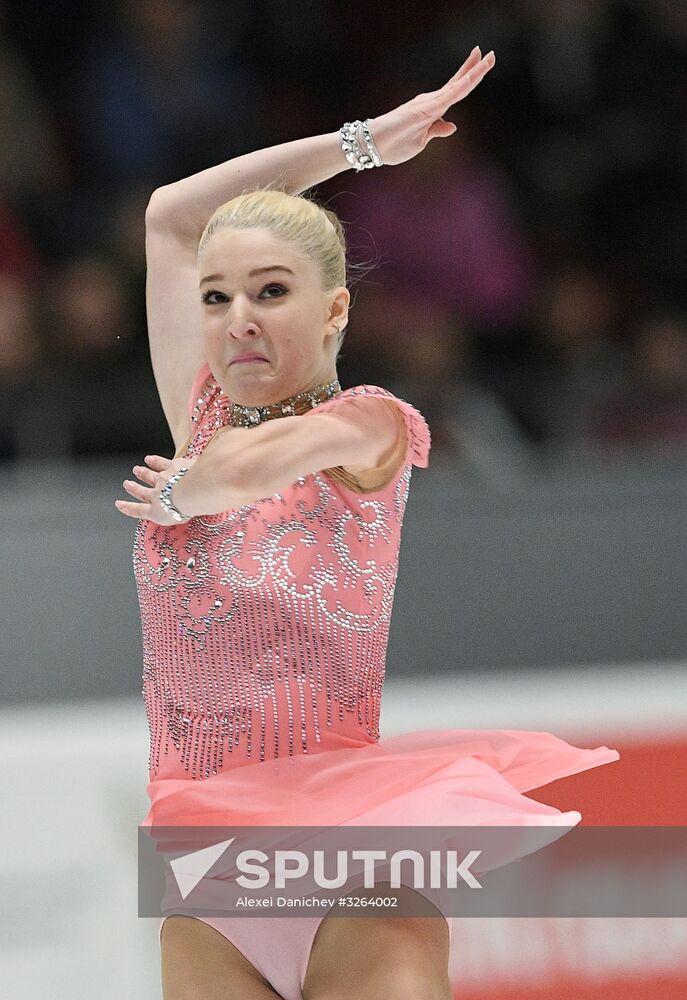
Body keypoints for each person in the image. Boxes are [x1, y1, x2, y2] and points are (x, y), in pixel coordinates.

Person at [115, 46, 620, 1000]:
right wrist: (363, 147)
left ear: (335, 307)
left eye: (271, 291)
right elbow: (171, 215)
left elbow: (251, 467)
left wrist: (190, 491)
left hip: (348, 865)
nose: (237, 319)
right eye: (217, 297)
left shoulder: (372, 426)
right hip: (205, 869)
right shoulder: (203, 416)